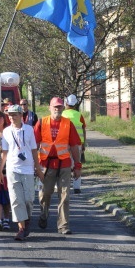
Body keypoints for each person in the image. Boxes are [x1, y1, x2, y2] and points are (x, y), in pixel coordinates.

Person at [34, 97, 82, 235]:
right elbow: (34, 145)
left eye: (60, 107)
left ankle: (63, 225)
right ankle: (43, 215)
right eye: (55, 106)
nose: (57, 109)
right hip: (46, 164)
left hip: (64, 164)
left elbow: (74, 146)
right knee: (45, 195)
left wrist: (77, 166)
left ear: (63, 108)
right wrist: (34, 165)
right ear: (49, 107)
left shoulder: (68, 124)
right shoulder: (42, 122)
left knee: (65, 196)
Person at [0, 105, 45, 241]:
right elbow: (5, 152)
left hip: (28, 169)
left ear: (21, 116)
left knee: (28, 199)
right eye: (10, 115)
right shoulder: (6, 131)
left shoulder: (29, 130)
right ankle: (21, 228)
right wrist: (1, 169)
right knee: (16, 199)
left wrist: (38, 168)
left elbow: (34, 150)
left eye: (15, 115)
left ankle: (27, 219)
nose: (12, 117)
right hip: (13, 168)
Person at [62, 94, 87, 194]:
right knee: (77, 164)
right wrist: (84, 143)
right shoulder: (79, 115)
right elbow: (84, 130)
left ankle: (65, 185)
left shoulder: (62, 114)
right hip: (78, 144)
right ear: (75, 104)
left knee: (65, 165)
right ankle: (77, 187)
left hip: (65, 144)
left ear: (66, 103)